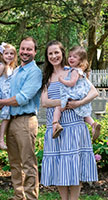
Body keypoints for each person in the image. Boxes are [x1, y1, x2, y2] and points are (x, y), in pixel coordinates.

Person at [40, 40, 98, 200]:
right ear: (47, 56)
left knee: (74, 166)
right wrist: (64, 101)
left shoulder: (73, 71)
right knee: (59, 167)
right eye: (50, 53)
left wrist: (78, 103)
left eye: (56, 52)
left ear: (62, 53)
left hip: (74, 126)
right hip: (56, 129)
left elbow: (93, 92)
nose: (54, 56)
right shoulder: (46, 76)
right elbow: (45, 102)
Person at [0, 36, 42, 200]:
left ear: (35, 52)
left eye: (29, 49)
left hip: (25, 120)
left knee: (28, 163)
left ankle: (31, 197)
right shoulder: (15, 71)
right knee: (15, 162)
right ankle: (18, 195)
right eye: (23, 48)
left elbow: (22, 98)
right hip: (12, 121)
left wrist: (1, 102)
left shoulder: (34, 72)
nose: (25, 52)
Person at [52, 45, 101, 140]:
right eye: (70, 56)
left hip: (73, 95)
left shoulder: (74, 71)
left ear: (80, 60)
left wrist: (62, 81)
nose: (71, 58)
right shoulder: (81, 71)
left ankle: (56, 124)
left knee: (58, 107)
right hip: (80, 96)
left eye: (74, 57)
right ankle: (93, 124)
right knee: (82, 113)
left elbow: (71, 83)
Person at [0, 42, 18, 150]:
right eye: (6, 53)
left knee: (9, 117)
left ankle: (7, 139)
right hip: (2, 93)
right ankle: (1, 140)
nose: (9, 56)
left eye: (11, 53)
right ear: (2, 55)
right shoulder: (1, 66)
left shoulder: (12, 67)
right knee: (6, 118)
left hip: (9, 93)